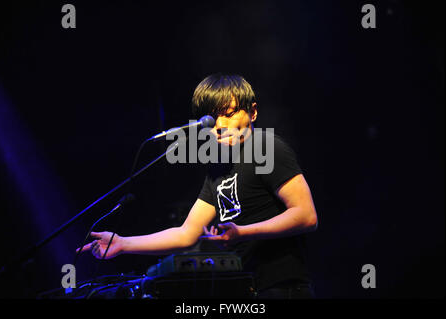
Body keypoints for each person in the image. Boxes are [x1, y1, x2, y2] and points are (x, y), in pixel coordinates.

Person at [79, 74, 318, 299]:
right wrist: (122, 243)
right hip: (247, 290)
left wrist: (242, 232)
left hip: (283, 290)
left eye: (230, 114)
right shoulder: (218, 168)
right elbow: (187, 233)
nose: (220, 125)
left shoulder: (267, 149)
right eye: (213, 119)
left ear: (252, 112)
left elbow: (306, 216)